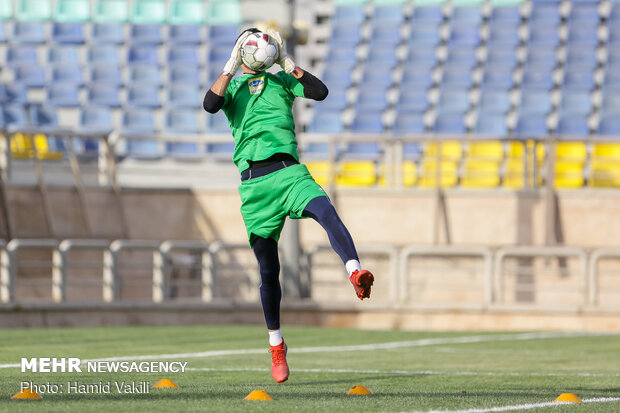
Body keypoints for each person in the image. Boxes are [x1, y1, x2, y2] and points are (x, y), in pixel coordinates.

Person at [203, 28, 374, 383]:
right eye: (250, 44)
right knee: (268, 269)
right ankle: (276, 344)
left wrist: (286, 60)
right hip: (254, 185)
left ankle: (355, 271)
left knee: (324, 209)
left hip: (289, 170)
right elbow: (210, 104)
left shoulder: (281, 80)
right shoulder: (232, 88)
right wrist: (232, 64)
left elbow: (320, 92)